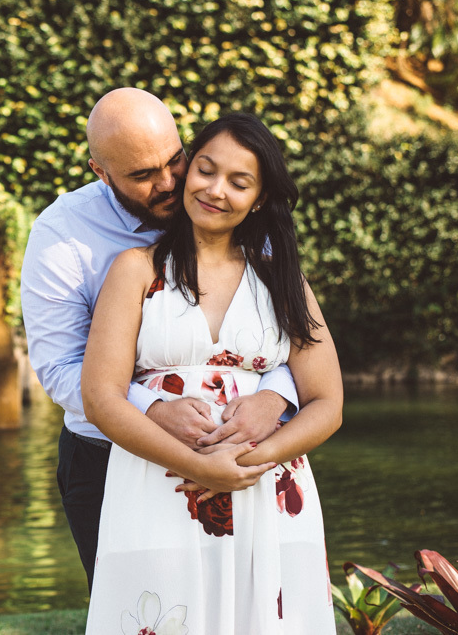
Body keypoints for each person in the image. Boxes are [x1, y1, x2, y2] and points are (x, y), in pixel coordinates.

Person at [20, 88, 299, 590]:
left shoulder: (238, 214)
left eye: (176, 160)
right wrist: (150, 407)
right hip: (108, 460)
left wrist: (277, 398)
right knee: (141, 612)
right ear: (100, 172)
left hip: (241, 453)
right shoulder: (62, 235)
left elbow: (273, 335)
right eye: (142, 176)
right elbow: (61, 368)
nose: (170, 183)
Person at [82, 112, 342, 632]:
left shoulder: (282, 279)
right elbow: (100, 398)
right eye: (205, 169)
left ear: (260, 198)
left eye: (239, 182)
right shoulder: (136, 269)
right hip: (158, 483)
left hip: (266, 489)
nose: (215, 190)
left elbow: (327, 402)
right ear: (186, 171)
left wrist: (253, 460)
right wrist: (196, 466)